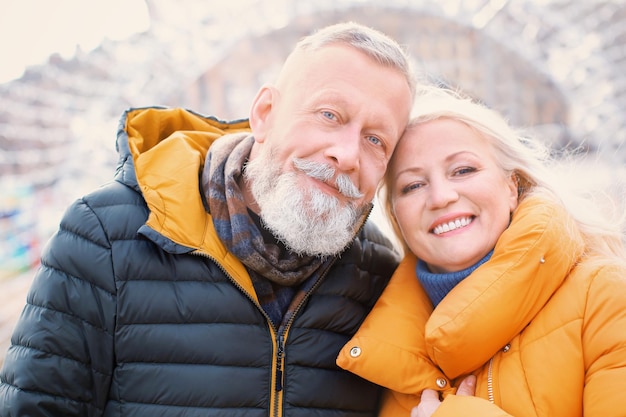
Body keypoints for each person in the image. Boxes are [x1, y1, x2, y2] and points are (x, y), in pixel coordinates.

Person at [0, 22, 416, 416]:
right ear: (266, 113)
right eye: (329, 115)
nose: (346, 154)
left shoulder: (381, 275)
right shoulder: (105, 238)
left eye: (375, 139)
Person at [336, 85, 626, 416]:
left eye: (463, 170)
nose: (441, 197)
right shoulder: (390, 352)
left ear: (511, 186)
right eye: (413, 185)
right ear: (396, 216)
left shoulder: (604, 297)